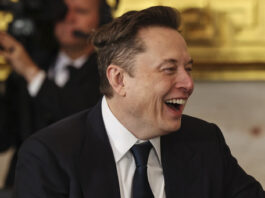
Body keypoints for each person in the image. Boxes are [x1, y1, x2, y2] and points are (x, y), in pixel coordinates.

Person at [15, 6, 265, 198]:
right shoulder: (49, 155)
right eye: (169, 69)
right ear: (119, 79)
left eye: (188, 69)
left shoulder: (205, 142)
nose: (188, 84)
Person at [0, 0, 113, 188]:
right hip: (23, 186)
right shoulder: (31, 65)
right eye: (62, 11)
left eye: (81, 11)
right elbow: (4, 137)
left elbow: (84, 126)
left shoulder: (110, 73)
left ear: (102, 21)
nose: (68, 18)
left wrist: (32, 74)